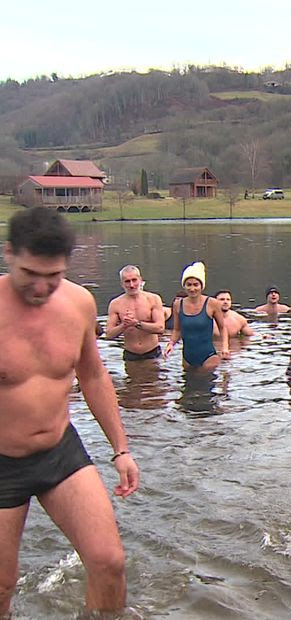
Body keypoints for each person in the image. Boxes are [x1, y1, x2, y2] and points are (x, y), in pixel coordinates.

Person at [0, 207, 140, 616]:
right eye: (31, 274)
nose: (43, 288)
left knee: (109, 563)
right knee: (2, 585)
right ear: (9, 254)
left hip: (60, 451)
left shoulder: (78, 303)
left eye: (54, 276)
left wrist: (121, 448)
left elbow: (93, 375)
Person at [164, 262, 229, 370]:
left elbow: (222, 328)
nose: (192, 288)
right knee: (188, 384)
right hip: (187, 357)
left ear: (201, 286)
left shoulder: (212, 303)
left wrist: (225, 347)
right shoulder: (177, 304)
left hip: (208, 356)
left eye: (196, 285)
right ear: (184, 286)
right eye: (189, 285)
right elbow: (177, 330)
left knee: (204, 381)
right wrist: (171, 344)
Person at [105, 265, 165, 361]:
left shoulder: (153, 299)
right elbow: (109, 334)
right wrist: (124, 325)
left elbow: (160, 328)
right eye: (127, 281)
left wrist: (136, 324)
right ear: (122, 284)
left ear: (140, 280)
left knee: (153, 375)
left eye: (134, 280)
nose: (131, 285)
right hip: (130, 354)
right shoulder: (115, 304)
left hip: (152, 352)